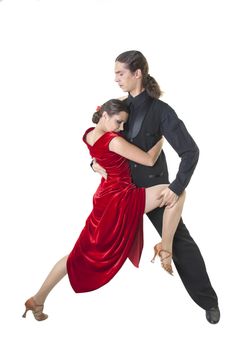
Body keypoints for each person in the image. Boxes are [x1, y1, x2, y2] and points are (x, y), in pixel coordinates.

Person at [22, 99, 186, 321]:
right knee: (176, 192)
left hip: (104, 197)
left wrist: (94, 164)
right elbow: (148, 160)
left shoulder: (89, 133)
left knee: (77, 254)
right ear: (105, 115)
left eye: (123, 125)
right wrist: (162, 136)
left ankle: (37, 299)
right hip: (120, 198)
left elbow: (97, 155)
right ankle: (165, 248)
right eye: (118, 123)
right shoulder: (113, 141)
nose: (120, 129)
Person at [92, 50, 220, 324]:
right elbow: (99, 141)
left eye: (120, 73)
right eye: (115, 73)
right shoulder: (116, 106)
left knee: (182, 244)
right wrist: (93, 165)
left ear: (137, 74)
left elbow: (190, 151)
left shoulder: (161, 111)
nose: (115, 78)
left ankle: (209, 302)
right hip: (118, 192)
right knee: (92, 242)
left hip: (152, 191)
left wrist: (176, 187)